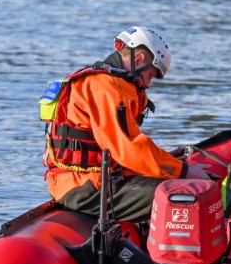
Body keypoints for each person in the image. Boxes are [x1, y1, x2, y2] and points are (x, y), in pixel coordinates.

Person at [40, 26, 209, 225]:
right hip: (85, 188)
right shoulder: (107, 88)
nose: (148, 85)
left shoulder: (104, 82)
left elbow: (124, 149)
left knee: (175, 181)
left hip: (87, 180)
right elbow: (127, 150)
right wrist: (183, 171)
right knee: (183, 193)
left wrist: (170, 162)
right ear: (138, 61)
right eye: (151, 76)